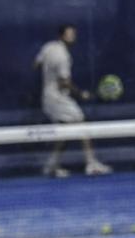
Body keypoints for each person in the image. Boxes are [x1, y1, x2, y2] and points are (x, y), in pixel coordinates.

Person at [33, 24, 111, 178]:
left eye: (74, 34)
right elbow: (64, 82)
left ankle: (51, 166)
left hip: (47, 97)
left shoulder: (48, 47)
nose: (73, 37)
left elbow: (36, 65)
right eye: (70, 34)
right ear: (62, 35)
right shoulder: (63, 56)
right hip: (58, 98)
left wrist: (48, 73)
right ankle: (91, 164)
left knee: (65, 132)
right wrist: (81, 94)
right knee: (81, 124)